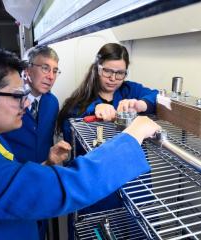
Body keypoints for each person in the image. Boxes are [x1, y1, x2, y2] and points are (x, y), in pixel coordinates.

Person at [0, 45, 161, 240]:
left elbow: (16, 183)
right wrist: (132, 138)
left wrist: (46, 165)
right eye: (17, 95)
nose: (27, 102)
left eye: (120, 73)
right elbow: (59, 186)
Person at [56, 43, 159, 236]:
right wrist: (93, 112)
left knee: (140, 230)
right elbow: (73, 143)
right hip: (100, 192)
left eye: (120, 73)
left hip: (135, 185)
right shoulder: (76, 105)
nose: (113, 78)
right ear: (97, 68)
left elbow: (156, 96)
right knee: (98, 232)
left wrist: (141, 104)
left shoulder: (131, 91)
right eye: (108, 71)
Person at [1, 45, 63, 239]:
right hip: (13, 184)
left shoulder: (52, 103)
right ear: (27, 70)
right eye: (45, 68)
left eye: (55, 70)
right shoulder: (7, 103)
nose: (51, 76)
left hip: (42, 178)